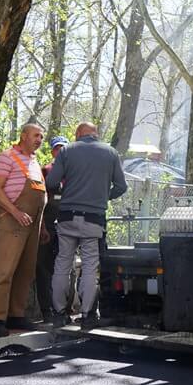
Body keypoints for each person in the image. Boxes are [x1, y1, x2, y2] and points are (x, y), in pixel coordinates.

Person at [46, 122, 127, 330]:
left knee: (63, 263)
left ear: (78, 134)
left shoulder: (67, 150)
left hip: (67, 217)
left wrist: (66, 194)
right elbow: (121, 186)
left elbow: (51, 182)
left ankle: (58, 314)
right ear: (96, 134)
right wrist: (103, 197)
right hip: (93, 219)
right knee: (90, 266)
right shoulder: (110, 153)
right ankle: (88, 315)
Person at [0, 122, 48, 337]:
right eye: (36, 135)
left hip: (33, 224)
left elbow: (41, 196)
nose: (39, 140)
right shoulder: (7, 157)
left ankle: (16, 315)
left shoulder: (34, 162)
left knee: (26, 271)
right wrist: (15, 212)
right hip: (12, 221)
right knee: (4, 271)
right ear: (23, 136)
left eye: (41, 137)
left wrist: (42, 227)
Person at [35, 136, 69, 320]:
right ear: (52, 151)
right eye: (57, 148)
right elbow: (39, 201)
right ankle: (46, 310)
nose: (60, 151)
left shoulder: (74, 172)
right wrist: (41, 227)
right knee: (43, 268)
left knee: (64, 268)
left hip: (67, 226)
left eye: (64, 148)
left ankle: (63, 310)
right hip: (47, 225)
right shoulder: (46, 171)